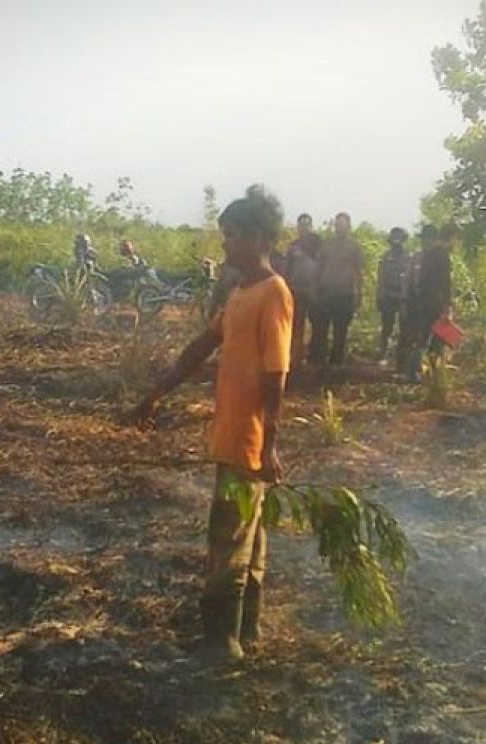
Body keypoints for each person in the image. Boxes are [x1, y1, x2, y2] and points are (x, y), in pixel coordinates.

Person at [133, 185, 292, 663]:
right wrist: (156, 392)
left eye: (233, 236)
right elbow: (203, 345)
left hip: (248, 441)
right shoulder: (241, 292)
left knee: (228, 540)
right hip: (232, 436)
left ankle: (220, 644)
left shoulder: (274, 293)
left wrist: (269, 446)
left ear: (260, 238)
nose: (225, 244)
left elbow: (276, 375)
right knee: (250, 537)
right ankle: (246, 632)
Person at [309, 212, 365, 366]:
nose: (339, 227)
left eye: (343, 224)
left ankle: (336, 363)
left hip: (345, 294)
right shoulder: (326, 245)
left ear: (348, 226)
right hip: (326, 292)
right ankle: (319, 362)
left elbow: (359, 272)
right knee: (321, 330)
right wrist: (313, 289)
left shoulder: (354, 247)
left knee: (340, 331)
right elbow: (318, 268)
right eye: (337, 224)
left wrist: (360, 294)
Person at [404, 224, 455, 382]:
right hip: (420, 304)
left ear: (434, 239)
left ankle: (433, 372)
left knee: (435, 340)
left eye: (428, 239)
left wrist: (446, 305)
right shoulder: (421, 256)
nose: (425, 242)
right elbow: (413, 281)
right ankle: (418, 373)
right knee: (420, 339)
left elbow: (446, 282)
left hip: (434, 303)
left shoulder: (441, 256)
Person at [284, 213, 322, 371]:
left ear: (311, 226)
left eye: (307, 225)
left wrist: (318, 286)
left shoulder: (318, 245)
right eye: (301, 225)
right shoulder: (293, 247)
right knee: (296, 324)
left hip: (315, 289)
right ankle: (295, 356)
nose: (303, 228)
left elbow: (323, 266)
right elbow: (287, 268)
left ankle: (314, 356)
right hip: (296, 289)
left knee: (317, 324)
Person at [376, 227, 411, 365]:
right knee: (387, 327)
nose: (396, 242)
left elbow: (410, 278)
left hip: (403, 296)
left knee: (404, 329)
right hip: (388, 295)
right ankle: (383, 355)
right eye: (394, 239)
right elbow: (381, 277)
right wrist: (379, 295)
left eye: (399, 239)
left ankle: (401, 360)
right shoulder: (386, 257)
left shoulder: (409, 257)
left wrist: (408, 297)